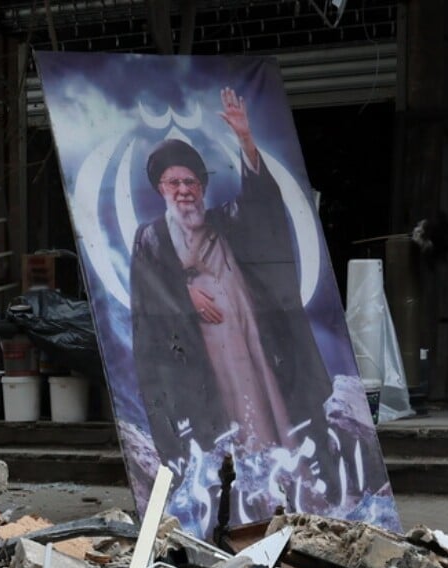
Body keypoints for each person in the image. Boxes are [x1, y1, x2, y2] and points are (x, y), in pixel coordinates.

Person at [129, 87, 335, 481]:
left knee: (263, 407)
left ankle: (275, 477)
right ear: (160, 189)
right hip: (196, 356)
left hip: (248, 343)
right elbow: (146, 294)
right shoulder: (150, 237)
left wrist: (245, 140)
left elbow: (260, 204)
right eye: (173, 183)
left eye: (190, 181)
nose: (183, 190)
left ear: (202, 187)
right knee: (219, 428)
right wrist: (184, 295)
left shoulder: (225, 221)